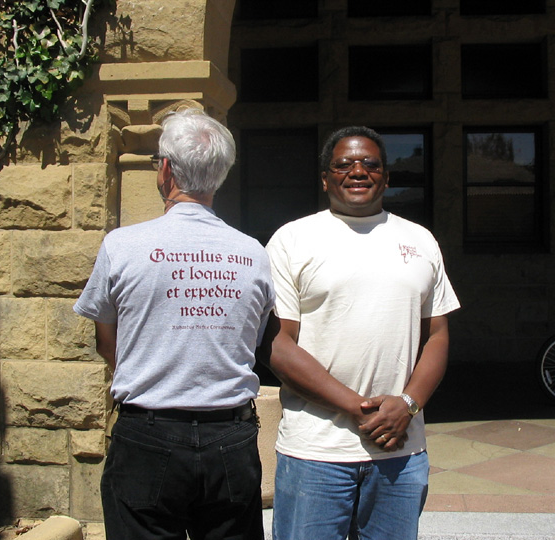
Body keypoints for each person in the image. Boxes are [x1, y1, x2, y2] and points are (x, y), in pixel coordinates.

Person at [73, 108, 275, 540]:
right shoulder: (254, 253)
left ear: (165, 169)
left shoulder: (122, 245)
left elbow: (108, 343)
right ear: (219, 176)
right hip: (230, 436)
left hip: (147, 432)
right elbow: (249, 340)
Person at [263, 126, 460, 540]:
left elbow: (438, 335)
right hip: (315, 452)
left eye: (370, 164)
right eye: (344, 164)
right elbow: (277, 345)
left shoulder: (420, 239)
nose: (358, 171)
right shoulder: (292, 239)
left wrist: (407, 403)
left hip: (400, 452)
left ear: (386, 177)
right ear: (325, 178)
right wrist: (359, 408)